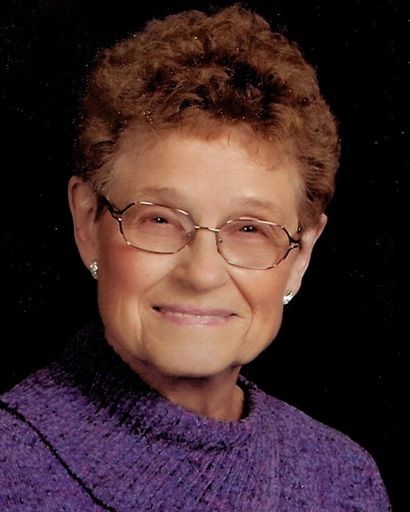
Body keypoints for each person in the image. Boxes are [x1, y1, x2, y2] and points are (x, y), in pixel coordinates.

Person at [0, 4, 391, 511]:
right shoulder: (10, 465)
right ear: (86, 223)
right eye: (160, 220)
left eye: (250, 229)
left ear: (301, 257)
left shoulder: (344, 478)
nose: (202, 274)